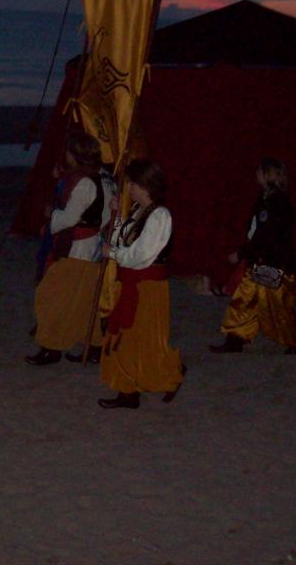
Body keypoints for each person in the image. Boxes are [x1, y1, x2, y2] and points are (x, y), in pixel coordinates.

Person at [98, 159, 184, 409]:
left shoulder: (160, 216)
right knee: (128, 338)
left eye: (132, 183)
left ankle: (150, 380)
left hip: (147, 287)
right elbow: (121, 241)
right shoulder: (137, 212)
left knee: (141, 339)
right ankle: (129, 390)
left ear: (145, 184)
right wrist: (116, 220)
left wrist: (112, 253)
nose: (129, 188)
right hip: (132, 284)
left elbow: (140, 255)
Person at [27, 132, 113, 366]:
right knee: (86, 300)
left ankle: (51, 347)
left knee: (51, 296)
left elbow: (70, 218)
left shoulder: (85, 183)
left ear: (76, 155)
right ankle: (94, 345)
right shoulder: (99, 178)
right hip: (88, 247)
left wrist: (51, 215)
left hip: (78, 249)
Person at [210, 157, 296, 355]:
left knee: (277, 305)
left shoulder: (278, 203)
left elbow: (267, 236)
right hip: (260, 261)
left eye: (259, 172)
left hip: (273, 264)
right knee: (244, 298)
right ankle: (235, 338)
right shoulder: (265, 198)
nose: (256, 175)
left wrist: (242, 253)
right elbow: (256, 231)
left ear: (268, 175)